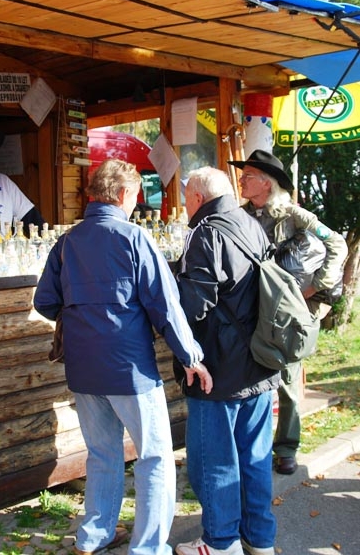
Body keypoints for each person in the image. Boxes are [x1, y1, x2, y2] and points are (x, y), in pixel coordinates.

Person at [34, 159, 213, 555]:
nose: (135, 204)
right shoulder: (134, 238)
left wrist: (84, 316)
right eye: (134, 196)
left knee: (102, 454)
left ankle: (92, 537)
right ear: (121, 194)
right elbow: (165, 305)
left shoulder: (67, 242)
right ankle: (147, 548)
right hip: (129, 367)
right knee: (155, 458)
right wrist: (190, 356)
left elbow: (44, 301)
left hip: (83, 367)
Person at [173, 167, 280, 555]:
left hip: (218, 369)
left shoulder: (205, 232)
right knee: (255, 458)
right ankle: (259, 538)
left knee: (213, 460)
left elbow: (194, 305)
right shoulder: (252, 224)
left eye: (186, 198)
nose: (185, 205)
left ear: (198, 198)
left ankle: (219, 541)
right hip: (260, 361)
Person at [228, 150, 348, 476]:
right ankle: (250, 449)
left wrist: (314, 288)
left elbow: (337, 244)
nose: (241, 180)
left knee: (289, 381)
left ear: (266, 183)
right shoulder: (239, 216)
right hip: (251, 310)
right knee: (249, 379)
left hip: (287, 316)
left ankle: (286, 448)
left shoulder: (295, 215)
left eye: (248, 175)